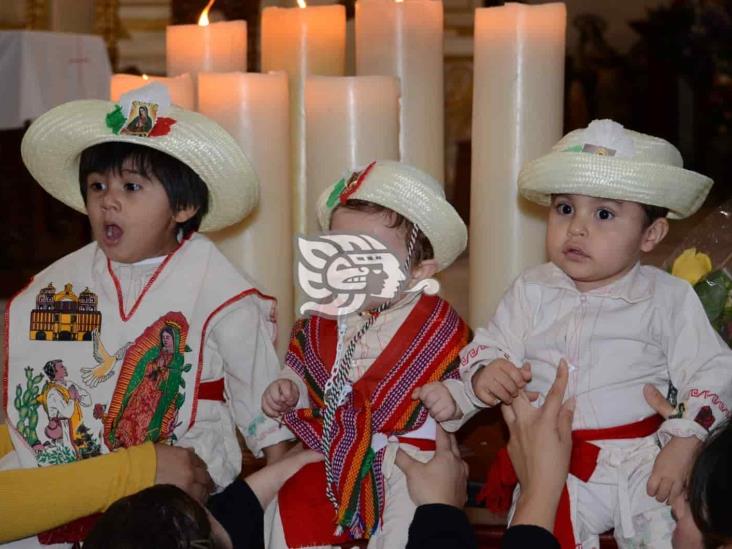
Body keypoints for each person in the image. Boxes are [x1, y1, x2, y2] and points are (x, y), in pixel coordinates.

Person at [1, 82, 290, 546]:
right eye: (97, 186)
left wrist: (280, 491)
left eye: (131, 187)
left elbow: (261, 400)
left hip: (177, 486)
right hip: (74, 465)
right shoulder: (59, 286)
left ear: (183, 206)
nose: (107, 200)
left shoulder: (219, 288)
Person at [444, 119, 732, 548]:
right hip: (553, 466)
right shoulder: (532, 290)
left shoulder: (666, 297)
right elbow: (491, 344)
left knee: (664, 528)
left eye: (603, 213)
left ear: (650, 234)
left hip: (642, 463)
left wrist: (685, 440)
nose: (577, 228)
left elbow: (712, 368)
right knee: (542, 528)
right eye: (564, 209)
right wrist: (485, 372)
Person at [260, 161, 474, 547]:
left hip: (410, 456)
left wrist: (454, 399)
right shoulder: (322, 320)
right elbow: (301, 368)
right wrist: (288, 387)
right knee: (286, 510)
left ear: (419, 271)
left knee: (408, 527)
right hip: (333, 450)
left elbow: (471, 380)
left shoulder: (438, 327)